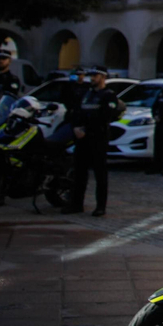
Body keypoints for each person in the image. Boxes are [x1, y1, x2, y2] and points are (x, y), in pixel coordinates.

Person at [63, 65, 125, 216]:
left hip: (97, 139)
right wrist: (76, 128)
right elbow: (76, 112)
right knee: (79, 174)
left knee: (100, 174)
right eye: (91, 75)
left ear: (103, 77)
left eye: (95, 76)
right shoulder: (86, 94)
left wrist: (86, 130)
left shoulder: (108, 95)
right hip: (82, 140)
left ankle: (100, 206)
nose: (92, 78)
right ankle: (77, 204)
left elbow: (104, 117)